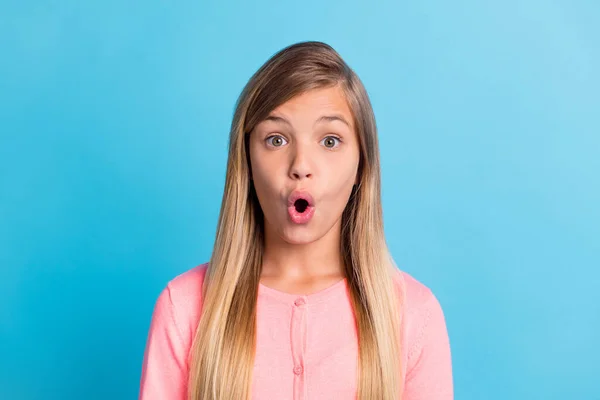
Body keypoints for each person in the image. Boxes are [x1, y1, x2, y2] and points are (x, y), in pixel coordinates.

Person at [138, 41, 453, 400]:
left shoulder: (413, 315)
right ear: (247, 164)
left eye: (330, 141)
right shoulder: (185, 307)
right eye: (276, 139)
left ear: (360, 167)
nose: (301, 166)